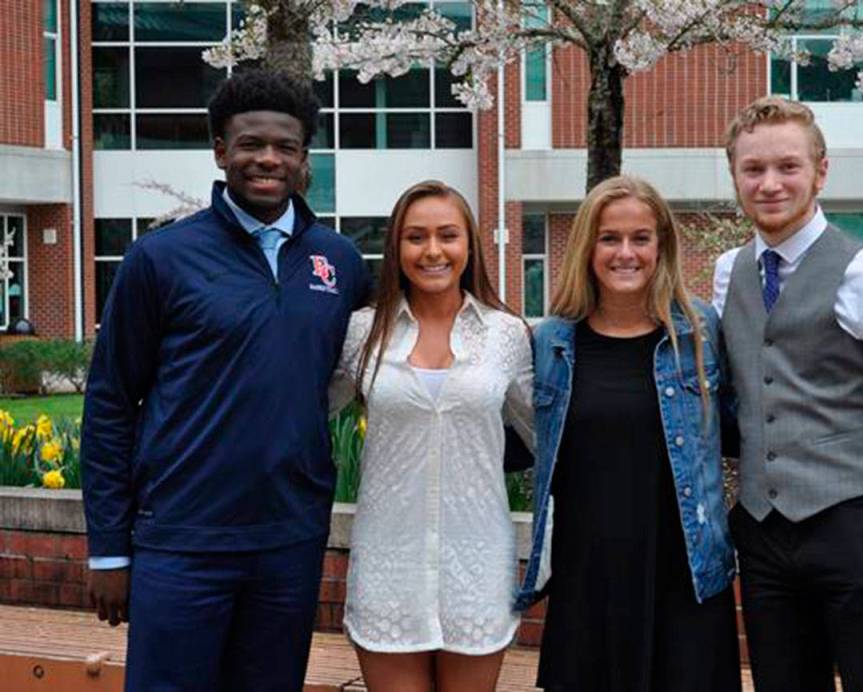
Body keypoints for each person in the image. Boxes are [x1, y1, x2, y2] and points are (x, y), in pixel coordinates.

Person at [80, 69, 370, 692]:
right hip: (181, 541)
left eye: (285, 147)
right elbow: (109, 403)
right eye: (250, 144)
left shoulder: (340, 262)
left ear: (302, 159)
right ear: (220, 151)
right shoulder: (159, 259)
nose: (267, 159)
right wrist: (108, 547)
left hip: (288, 542)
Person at [715, 96, 863, 692]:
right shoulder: (727, 272)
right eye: (754, 169)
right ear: (736, 176)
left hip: (854, 528)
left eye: (788, 167)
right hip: (764, 535)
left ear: (821, 171)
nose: (770, 184)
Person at [516, 175, 741, 692]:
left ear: (661, 245)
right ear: (587, 247)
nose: (626, 253)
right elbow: (515, 438)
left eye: (641, 238)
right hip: (587, 579)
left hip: (684, 572)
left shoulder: (699, 331)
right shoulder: (551, 342)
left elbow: (740, 427)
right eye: (609, 238)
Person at [330, 180, 533, 692]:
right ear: (396, 247)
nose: (433, 250)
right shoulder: (362, 332)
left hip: (477, 563)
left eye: (448, 235)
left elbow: (548, 435)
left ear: (469, 245)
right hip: (387, 563)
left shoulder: (505, 335)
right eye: (416, 237)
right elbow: (300, 409)